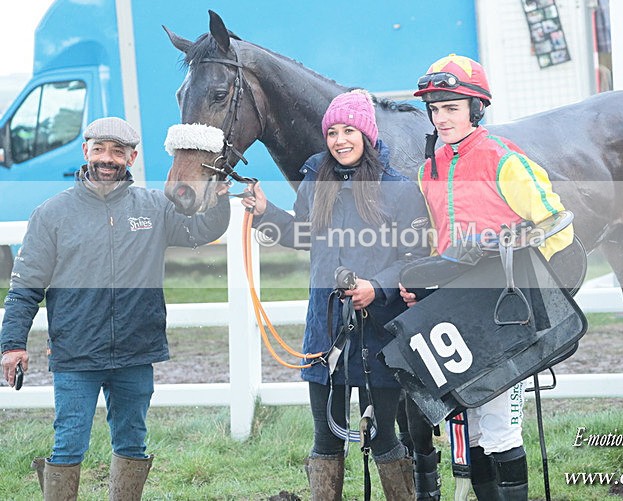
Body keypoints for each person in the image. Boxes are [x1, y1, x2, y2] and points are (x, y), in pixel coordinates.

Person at [0, 117, 230, 500]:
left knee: (132, 444)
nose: (108, 158)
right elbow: (25, 286)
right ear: (85, 151)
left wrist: (220, 200)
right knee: (69, 444)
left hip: (136, 352)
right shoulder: (52, 214)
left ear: (132, 157)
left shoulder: (155, 206)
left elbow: (199, 231)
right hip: (76, 354)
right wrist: (12, 344)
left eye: (118, 151)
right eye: (101, 149)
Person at [400, 54, 574, 500]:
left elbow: (555, 223)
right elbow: (439, 242)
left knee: (498, 425)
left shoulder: (504, 160)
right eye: (435, 109)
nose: (441, 118)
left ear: (476, 109)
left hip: (505, 312)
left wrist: (546, 294)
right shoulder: (428, 171)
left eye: (451, 108)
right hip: (457, 312)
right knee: (471, 423)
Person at [241, 89, 430, 500]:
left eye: (349, 130)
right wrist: (265, 212)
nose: (340, 140)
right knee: (326, 441)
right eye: (332, 132)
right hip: (326, 330)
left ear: (366, 133)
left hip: (380, 332)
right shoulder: (315, 182)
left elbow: (416, 257)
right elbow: (302, 235)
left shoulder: (398, 188)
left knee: (383, 439)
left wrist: (375, 287)